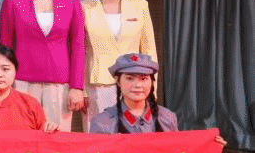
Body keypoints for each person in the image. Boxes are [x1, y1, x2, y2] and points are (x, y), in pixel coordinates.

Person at [0, 0, 84, 131]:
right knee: (23, 137)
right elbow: (5, 44)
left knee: (59, 138)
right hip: (22, 81)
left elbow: (78, 44)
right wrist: (5, 81)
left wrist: (77, 86)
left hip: (60, 82)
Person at [81, 0, 157, 129]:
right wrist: (81, 89)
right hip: (97, 84)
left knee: (134, 134)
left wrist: (152, 87)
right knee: (99, 134)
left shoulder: (140, 6)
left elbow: (149, 50)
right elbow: (79, 51)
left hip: (134, 83)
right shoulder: (82, 7)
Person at [88, 53, 224, 143]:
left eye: (143, 79)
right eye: (129, 78)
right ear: (118, 82)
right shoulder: (102, 123)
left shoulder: (167, 118)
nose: (137, 85)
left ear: (152, 82)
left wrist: (211, 146)